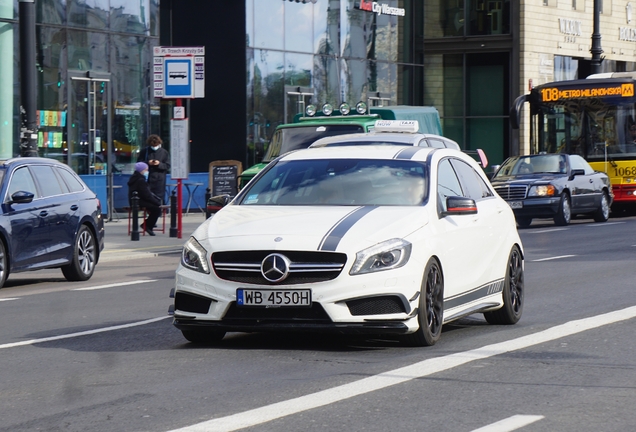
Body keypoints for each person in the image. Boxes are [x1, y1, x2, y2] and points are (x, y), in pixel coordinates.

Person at [128, 162, 162, 236]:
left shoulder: (135, 178)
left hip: (135, 201)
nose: (147, 172)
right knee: (156, 209)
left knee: (154, 208)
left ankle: (147, 225)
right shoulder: (140, 180)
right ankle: (147, 225)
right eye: (146, 170)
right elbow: (146, 194)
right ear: (142, 170)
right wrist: (157, 202)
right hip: (139, 201)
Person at [138, 134, 170, 203]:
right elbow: (138, 164)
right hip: (148, 178)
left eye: (155, 145)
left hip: (159, 179)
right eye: (152, 146)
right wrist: (147, 163)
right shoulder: (144, 151)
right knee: (147, 196)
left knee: (159, 198)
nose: (154, 147)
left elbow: (167, 166)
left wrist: (159, 164)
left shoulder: (164, 152)